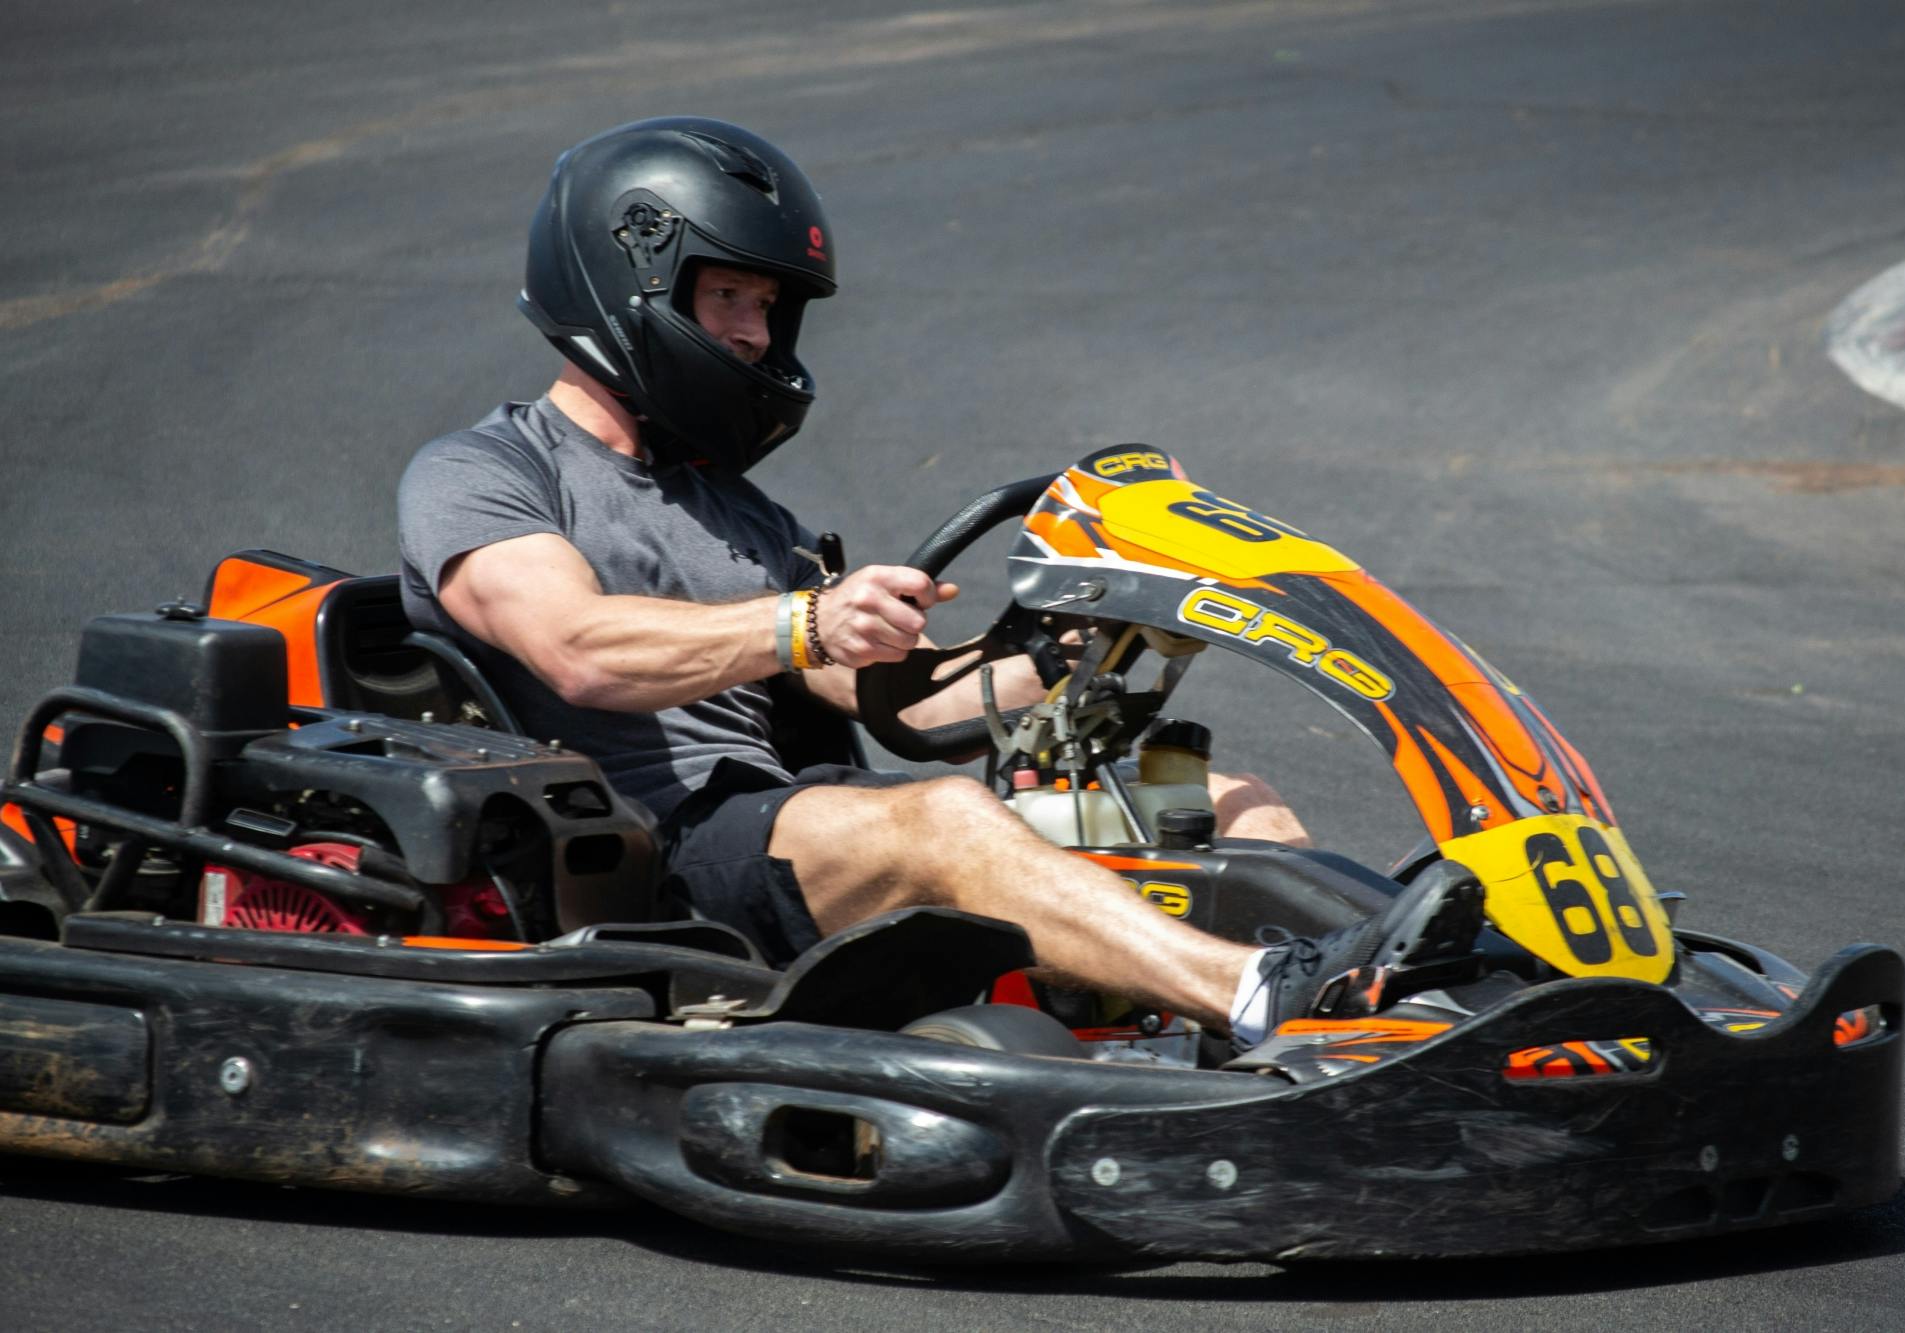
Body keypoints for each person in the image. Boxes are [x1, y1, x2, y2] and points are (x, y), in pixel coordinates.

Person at [397, 116, 1484, 1050]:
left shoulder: (737, 511)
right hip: (654, 849)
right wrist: (804, 619)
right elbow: (574, 646)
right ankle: (1259, 999)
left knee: (1212, 795)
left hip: (804, 823)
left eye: (769, 307)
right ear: (624, 281)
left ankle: (1439, 989)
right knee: (950, 821)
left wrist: (1093, 642)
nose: (753, 332)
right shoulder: (487, 473)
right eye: (727, 295)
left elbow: (903, 704)